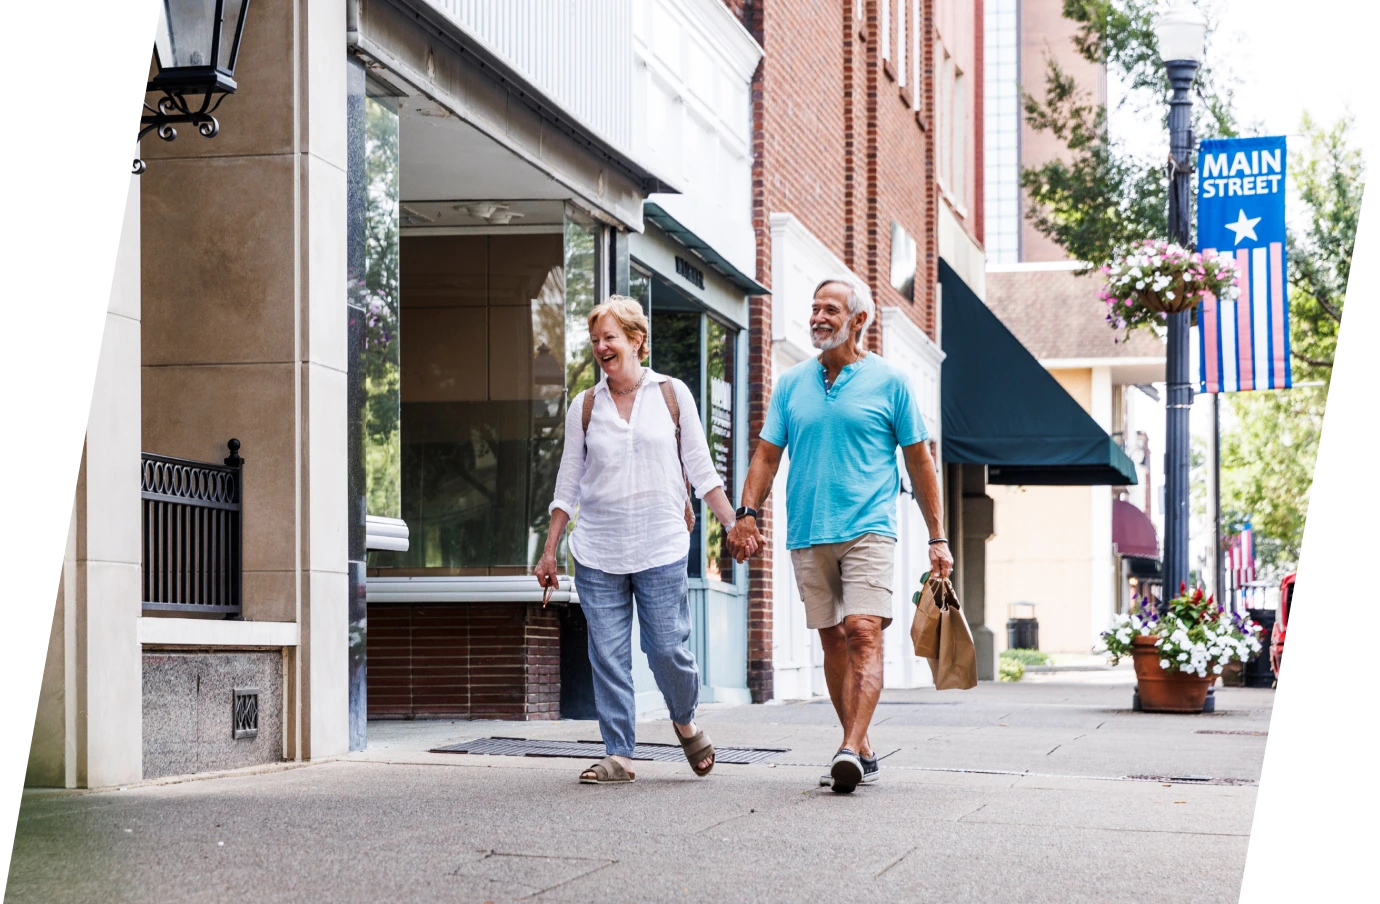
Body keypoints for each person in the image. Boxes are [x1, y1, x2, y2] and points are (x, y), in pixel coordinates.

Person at [727, 277, 952, 793]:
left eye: (830, 309)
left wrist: (936, 537)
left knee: (862, 631)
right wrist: (746, 512)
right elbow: (766, 455)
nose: (818, 318)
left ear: (859, 321)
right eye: (813, 309)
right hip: (807, 529)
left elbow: (920, 462)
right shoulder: (791, 384)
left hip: (869, 528)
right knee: (831, 638)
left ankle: (848, 748)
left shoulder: (891, 383)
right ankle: (861, 743)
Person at [535, 295, 757, 785]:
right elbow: (568, 482)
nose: (601, 347)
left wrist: (734, 523)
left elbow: (702, 470)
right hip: (597, 548)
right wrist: (550, 549)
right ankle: (619, 753)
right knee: (608, 656)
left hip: (659, 545)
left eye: (610, 337)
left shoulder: (672, 394)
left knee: (666, 650)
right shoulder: (586, 405)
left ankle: (684, 718)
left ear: (636, 340)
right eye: (595, 340)